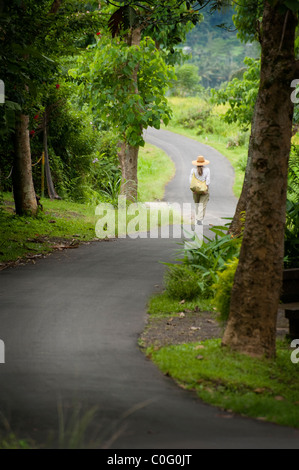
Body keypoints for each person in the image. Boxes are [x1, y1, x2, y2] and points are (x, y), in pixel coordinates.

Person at [189, 155, 210, 225]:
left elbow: (190, 181)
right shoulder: (207, 170)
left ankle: (197, 219)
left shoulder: (193, 170)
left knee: (197, 205)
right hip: (204, 190)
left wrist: (193, 190)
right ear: (204, 163)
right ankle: (199, 219)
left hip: (195, 190)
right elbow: (208, 181)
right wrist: (205, 189)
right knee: (202, 205)